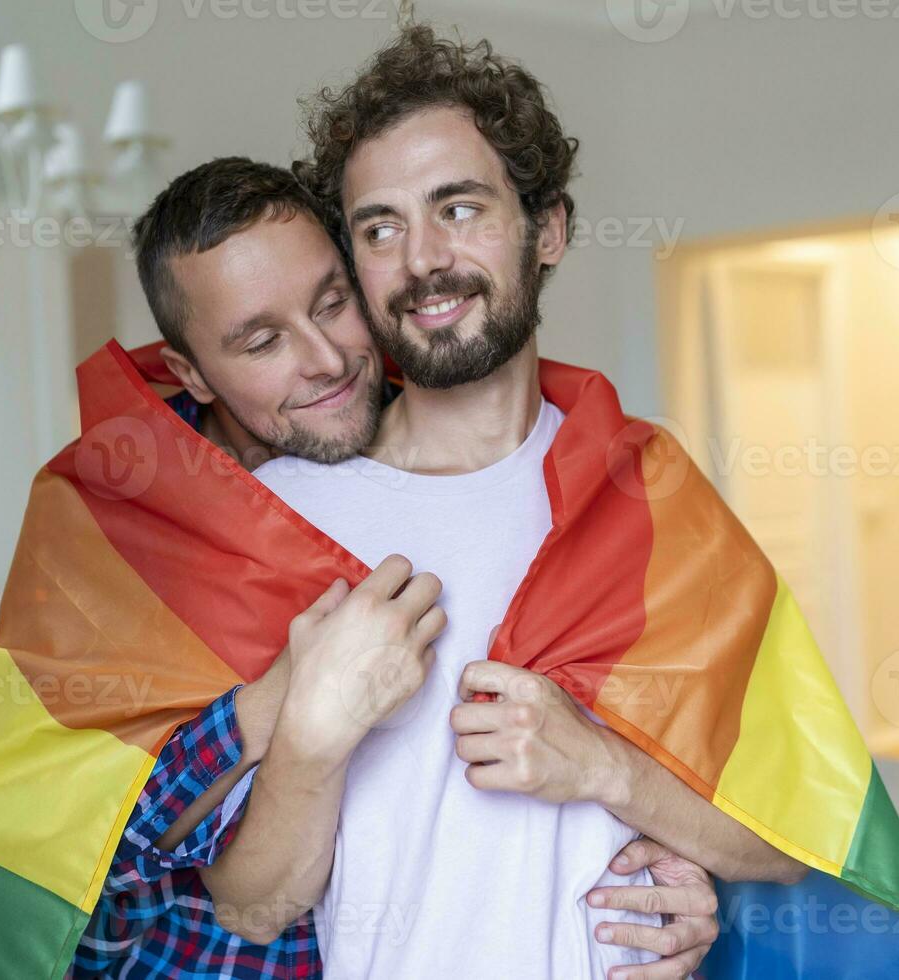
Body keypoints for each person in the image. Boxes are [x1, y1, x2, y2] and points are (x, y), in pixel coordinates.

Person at [195, 27, 805, 980]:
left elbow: (791, 833)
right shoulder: (277, 519)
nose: (423, 261)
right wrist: (314, 735)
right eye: (380, 227)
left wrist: (602, 768)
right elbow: (251, 908)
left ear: (547, 228)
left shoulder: (646, 492)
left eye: (460, 208)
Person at [69, 157, 732, 979]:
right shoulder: (156, 544)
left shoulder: (601, 477)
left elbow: (764, 808)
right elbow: (142, 874)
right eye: (264, 340)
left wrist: (682, 886)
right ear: (192, 374)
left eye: (332, 303)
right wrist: (294, 708)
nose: (324, 359)